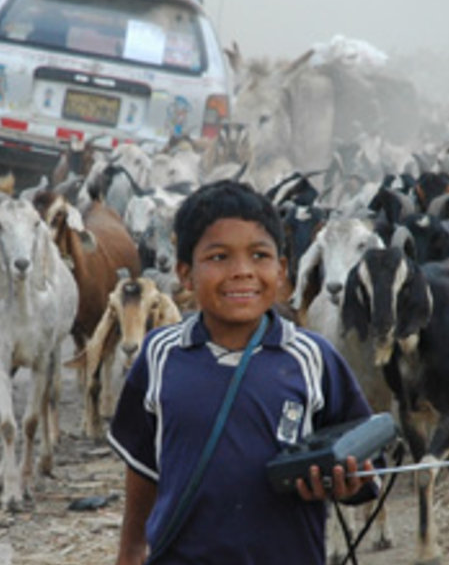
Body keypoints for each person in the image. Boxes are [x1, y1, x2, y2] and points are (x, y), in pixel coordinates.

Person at [108, 179, 378, 565]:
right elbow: (142, 468)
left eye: (259, 256)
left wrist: (347, 484)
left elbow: (367, 461)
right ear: (185, 274)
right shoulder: (160, 355)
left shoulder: (313, 358)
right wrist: (131, 552)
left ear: (282, 270)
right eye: (219, 257)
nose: (242, 272)